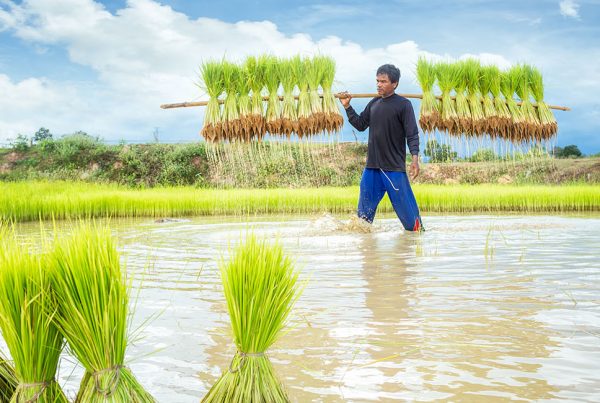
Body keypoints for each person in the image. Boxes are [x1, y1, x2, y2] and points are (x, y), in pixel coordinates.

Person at [339, 64, 423, 231]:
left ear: (395, 84)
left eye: (383, 81)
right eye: (377, 81)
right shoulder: (374, 103)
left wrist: (414, 159)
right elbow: (360, 124)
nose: (378, 84)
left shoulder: (403, 105)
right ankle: (367, 250)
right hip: (372, 169)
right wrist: (347, 106)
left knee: (413, 225)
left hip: (394, 170)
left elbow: (412, 134)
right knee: (362, 221)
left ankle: (417, 246)